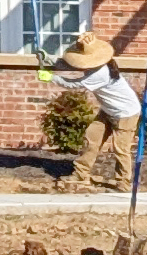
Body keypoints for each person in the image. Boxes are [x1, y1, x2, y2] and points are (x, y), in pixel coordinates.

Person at [51, 31, 140, 188]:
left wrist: (50, 76)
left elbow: (73, 83)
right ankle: (80, 174)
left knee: (120, 149)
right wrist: (50, 62)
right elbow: (74, 72)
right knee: (91, 138)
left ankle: (124, 182)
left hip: (126, 113)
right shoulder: (95, 65)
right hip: (108, 110)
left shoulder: (101, 73)